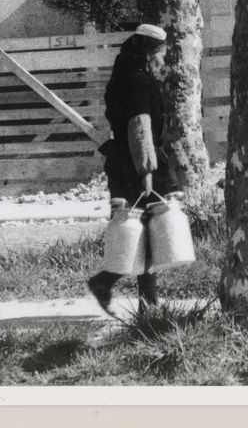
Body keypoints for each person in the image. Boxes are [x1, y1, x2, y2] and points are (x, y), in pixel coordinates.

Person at [87, 22, 177, 313]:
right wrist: (147, 172)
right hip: (139, 164)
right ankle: (144, 304)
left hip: (121, 162)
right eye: (161, 54)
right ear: (150, 53)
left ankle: (116, 287)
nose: (163, 60)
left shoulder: (122, 78)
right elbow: (140, 129)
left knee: (138, 227)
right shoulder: (139, 83)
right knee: (146, 229)